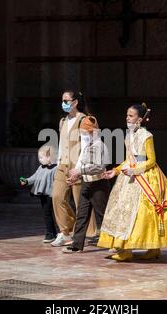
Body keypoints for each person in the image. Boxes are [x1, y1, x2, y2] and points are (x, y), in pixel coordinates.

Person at [98, 103, 167, 262]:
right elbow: (128, 159)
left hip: (145, 176)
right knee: (124, 211)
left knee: (144, 213)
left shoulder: (146, 136)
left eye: (131, 116)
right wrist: (116, 171)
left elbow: (152, 160)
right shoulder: (128, 135)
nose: (127, 118)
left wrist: (135, 170)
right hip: (128, 176)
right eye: (127, 115)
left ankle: (147, 248)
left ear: (140, 119)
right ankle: (129, 248)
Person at [51, 90, 97, 247]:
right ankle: (65, 231)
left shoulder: (84, 120)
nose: (63, 103)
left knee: (80, 202)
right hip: (63, 165)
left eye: (66, 100)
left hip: (78, 166)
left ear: (75, 102)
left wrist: (79, 169)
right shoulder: (63, 121)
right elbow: (61, 143)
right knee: (57, 196)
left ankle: (87, 233)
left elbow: (87, 146)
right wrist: (58, 162)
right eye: (62, 100)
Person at [62, 116, 110, 253]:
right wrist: (74, 176)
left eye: (85, 132)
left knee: (103, 215)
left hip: (98, 185)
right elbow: (82, 163)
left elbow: (99, 167)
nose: (83, 135)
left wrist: (79, 171)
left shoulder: (100, 146)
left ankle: (115, 243)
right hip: (87, 184)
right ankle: (77, 244)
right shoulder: (87, 146)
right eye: (82, 132)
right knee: (82, 214)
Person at [20, 145, 58, 243]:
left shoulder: (55, 169)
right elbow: (35, 177)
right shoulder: (41, 167)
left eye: (41, 157)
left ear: (49, 157)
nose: (39, 160)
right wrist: (27, 181)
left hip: (52, 195)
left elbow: (58, 182)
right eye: (39, 157)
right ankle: (51, 233)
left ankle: (55, 233)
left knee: (52, 214)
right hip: (43, 195)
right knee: (47, 214)